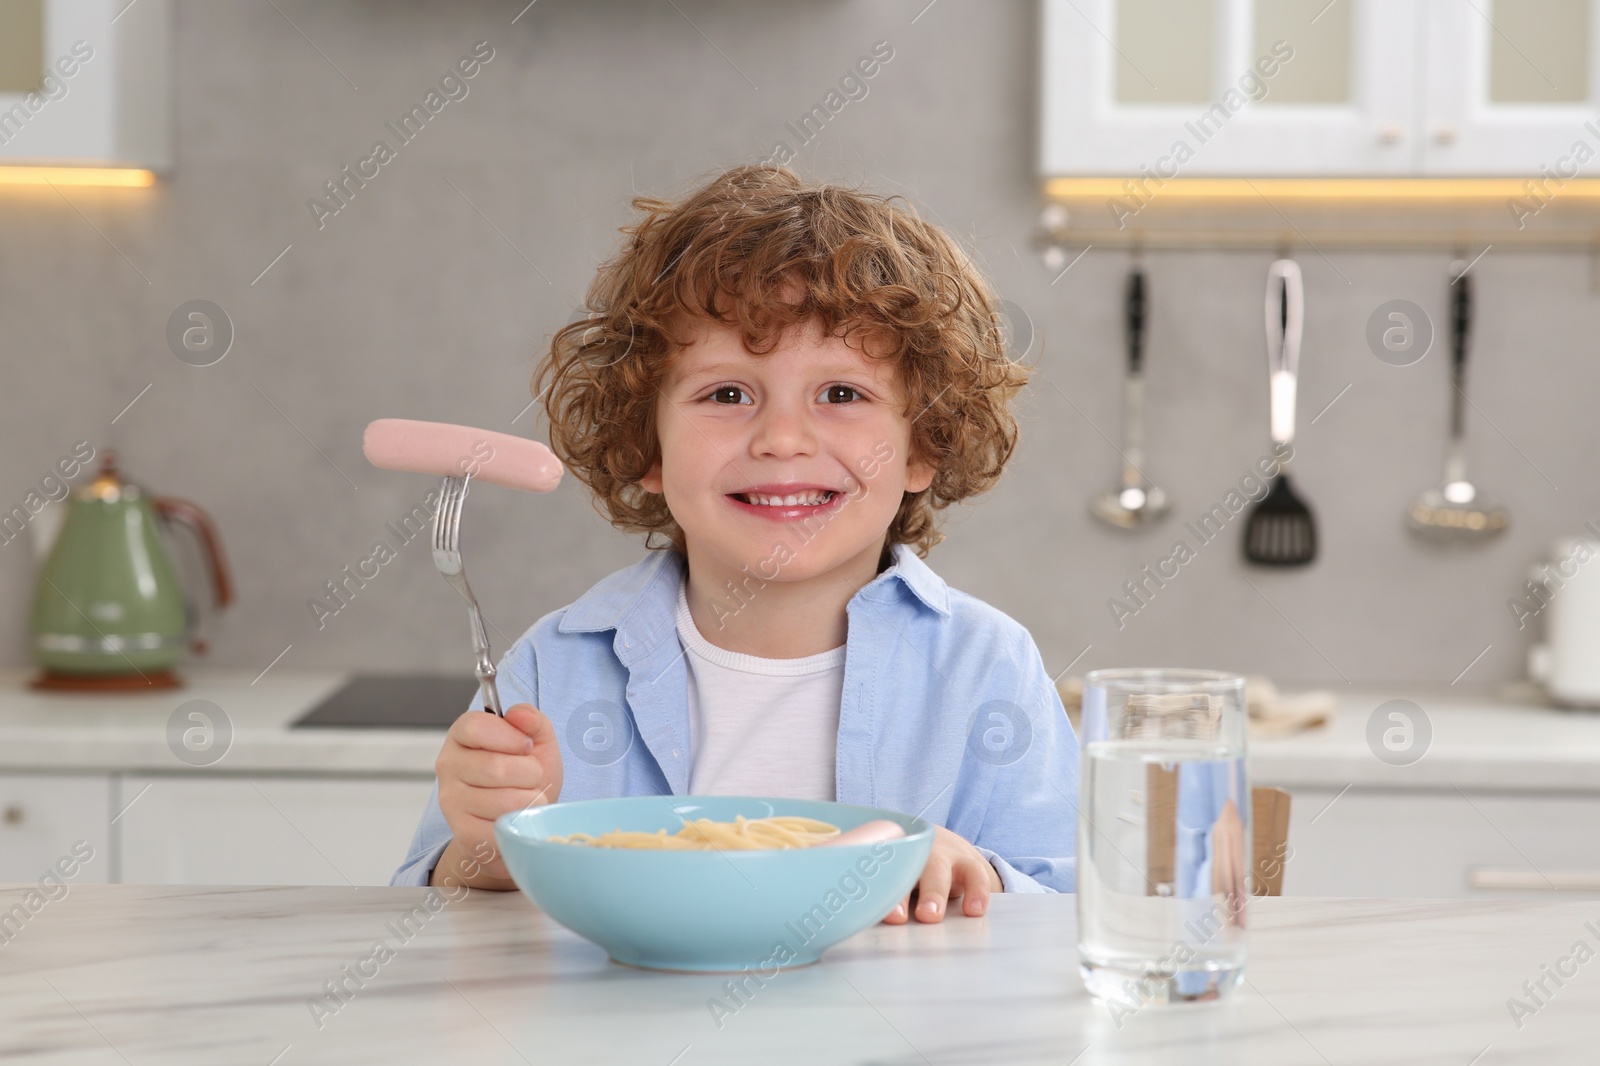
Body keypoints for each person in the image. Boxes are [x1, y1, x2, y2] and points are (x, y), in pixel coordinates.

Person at [392, 163, 1080, 922]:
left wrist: (978, 873)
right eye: (727, 394)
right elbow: (436, 918)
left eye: (842, 394)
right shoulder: (552, 670)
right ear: (646, 446)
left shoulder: (987, 668)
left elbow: (1069, 909)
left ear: (922, 446)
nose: (782, 439)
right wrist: (486, 850)